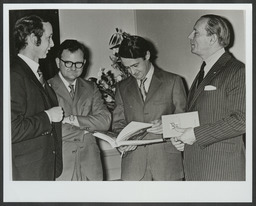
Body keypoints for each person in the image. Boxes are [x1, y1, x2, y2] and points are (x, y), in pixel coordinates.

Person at [172, 14, 245, 180]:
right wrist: (184, 137)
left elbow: (243, 119)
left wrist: (195, 135)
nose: (190, 36)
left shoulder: (237, 71)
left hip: (220, 170)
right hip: (197, 168)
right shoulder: (204, 71)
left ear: (212, 39)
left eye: (196, 33)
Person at [112, 35, 187, 181]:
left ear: (147, 55)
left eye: (135, 65)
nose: (132, 72)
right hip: (133, 166)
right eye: (127, 68)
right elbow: (118, 124)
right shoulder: (121, 87)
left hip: (166, 166)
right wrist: (121, 143)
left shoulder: (173, 81)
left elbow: (185, 120)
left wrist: (166, 126)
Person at [48, 39, 111, 181]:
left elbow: (105, 121)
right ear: (58, 62)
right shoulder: (46, 88)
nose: (73, 67)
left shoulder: (91, 87)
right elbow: (50, 129)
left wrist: (73, 120)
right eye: (68, 63)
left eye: (78, 63)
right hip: (61, 167)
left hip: (91, 166)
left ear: (84, 63)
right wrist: (87, 129)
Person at [11, 15, 64, 180]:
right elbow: (10, 129)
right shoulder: (14, 74)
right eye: (49, 38)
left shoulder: (34, 72)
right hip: (28, 173)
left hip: (43, 168)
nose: (53, 44)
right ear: (34, 39)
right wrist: (48, 116)